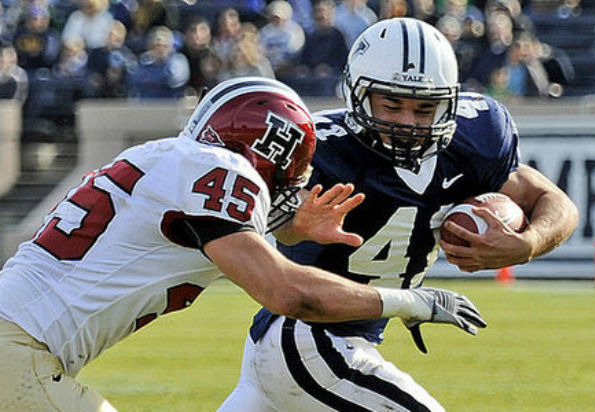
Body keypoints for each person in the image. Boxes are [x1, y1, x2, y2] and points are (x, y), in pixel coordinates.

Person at [0, 76, 486, 412]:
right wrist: (413, 302)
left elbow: (200, 234)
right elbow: (289, 294)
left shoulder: (161, 158)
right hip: (18, 354)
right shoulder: (224, 170)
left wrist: (291, 226)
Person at [219, 18, 579, 412]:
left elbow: (553, 200)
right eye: (391, 105)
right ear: (359, 93)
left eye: (425, 108)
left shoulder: (476, 138)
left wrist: (527, 243)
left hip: (315, 346)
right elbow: (278, 232)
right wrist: (292, 224)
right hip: (309, 338)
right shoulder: (322, 147)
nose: (407, 122)